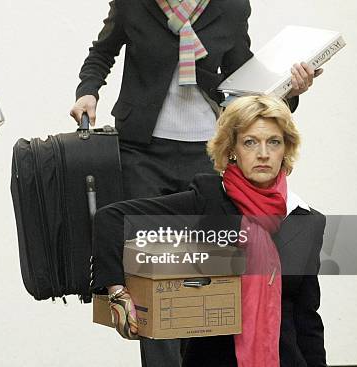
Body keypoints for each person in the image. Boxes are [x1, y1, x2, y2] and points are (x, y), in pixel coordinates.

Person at [70, 1, 320, 364]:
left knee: (202, 275)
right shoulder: (133, 4)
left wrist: (291, 90)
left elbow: (244, 82)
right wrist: (87, 90)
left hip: (206, 155)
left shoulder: (230, 6)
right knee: (150, 273)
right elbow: (102, 52)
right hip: (142, 152)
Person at [91, 95, 326, 367]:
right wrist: (118, 294)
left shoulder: (305, 220)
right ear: (232, 150)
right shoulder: (209, 201)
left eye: (273, 142)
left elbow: (306, 319)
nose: (263, 153)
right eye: (250, 142)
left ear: (285, 149)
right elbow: (112, 219)